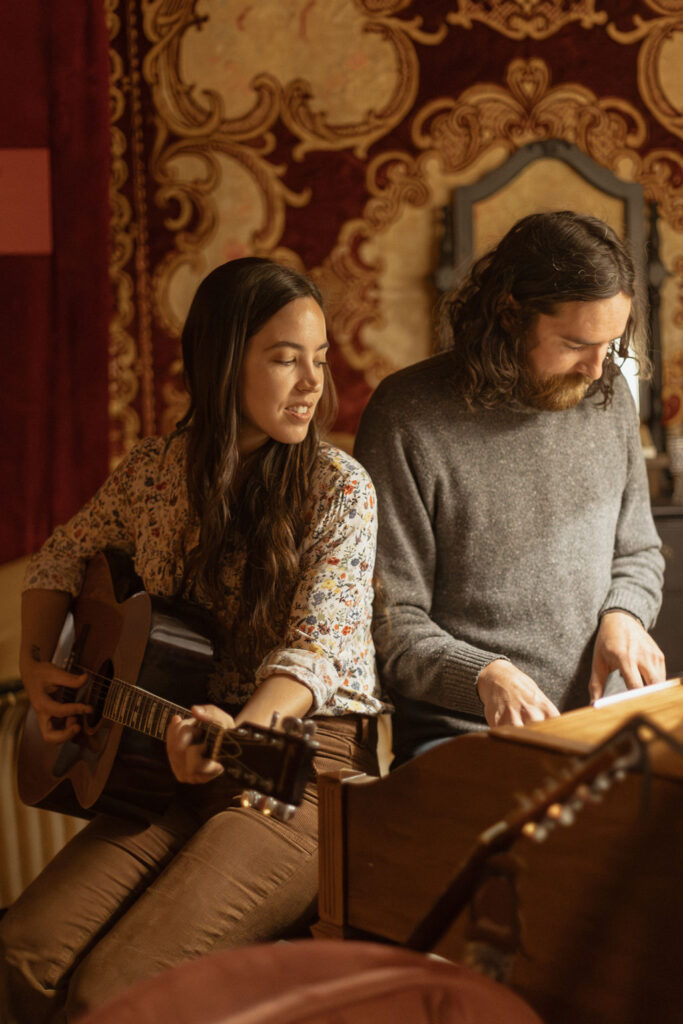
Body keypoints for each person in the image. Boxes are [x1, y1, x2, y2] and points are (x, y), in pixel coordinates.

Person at [1, 257, 385, 1022]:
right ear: (220, 363)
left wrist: (236, 734)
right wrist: (38, 664)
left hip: (297, 773)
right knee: (20, 955)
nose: (312, 383)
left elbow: (316, 649)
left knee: (113, 995)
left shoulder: (339, 488)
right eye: (284, 359)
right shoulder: (154, 471)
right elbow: (59, 558)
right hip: (172, 764)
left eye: (318, 359)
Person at [354, 210, 665, 767]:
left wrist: (625, 615)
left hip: (600, 726)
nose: (598, 369)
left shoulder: (609, 394)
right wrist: (484, 676)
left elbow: (638, 551)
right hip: (464, 738)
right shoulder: (407, 415)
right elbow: (392, 620)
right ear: (510, 316)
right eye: (575, 343)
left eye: (610, 345)